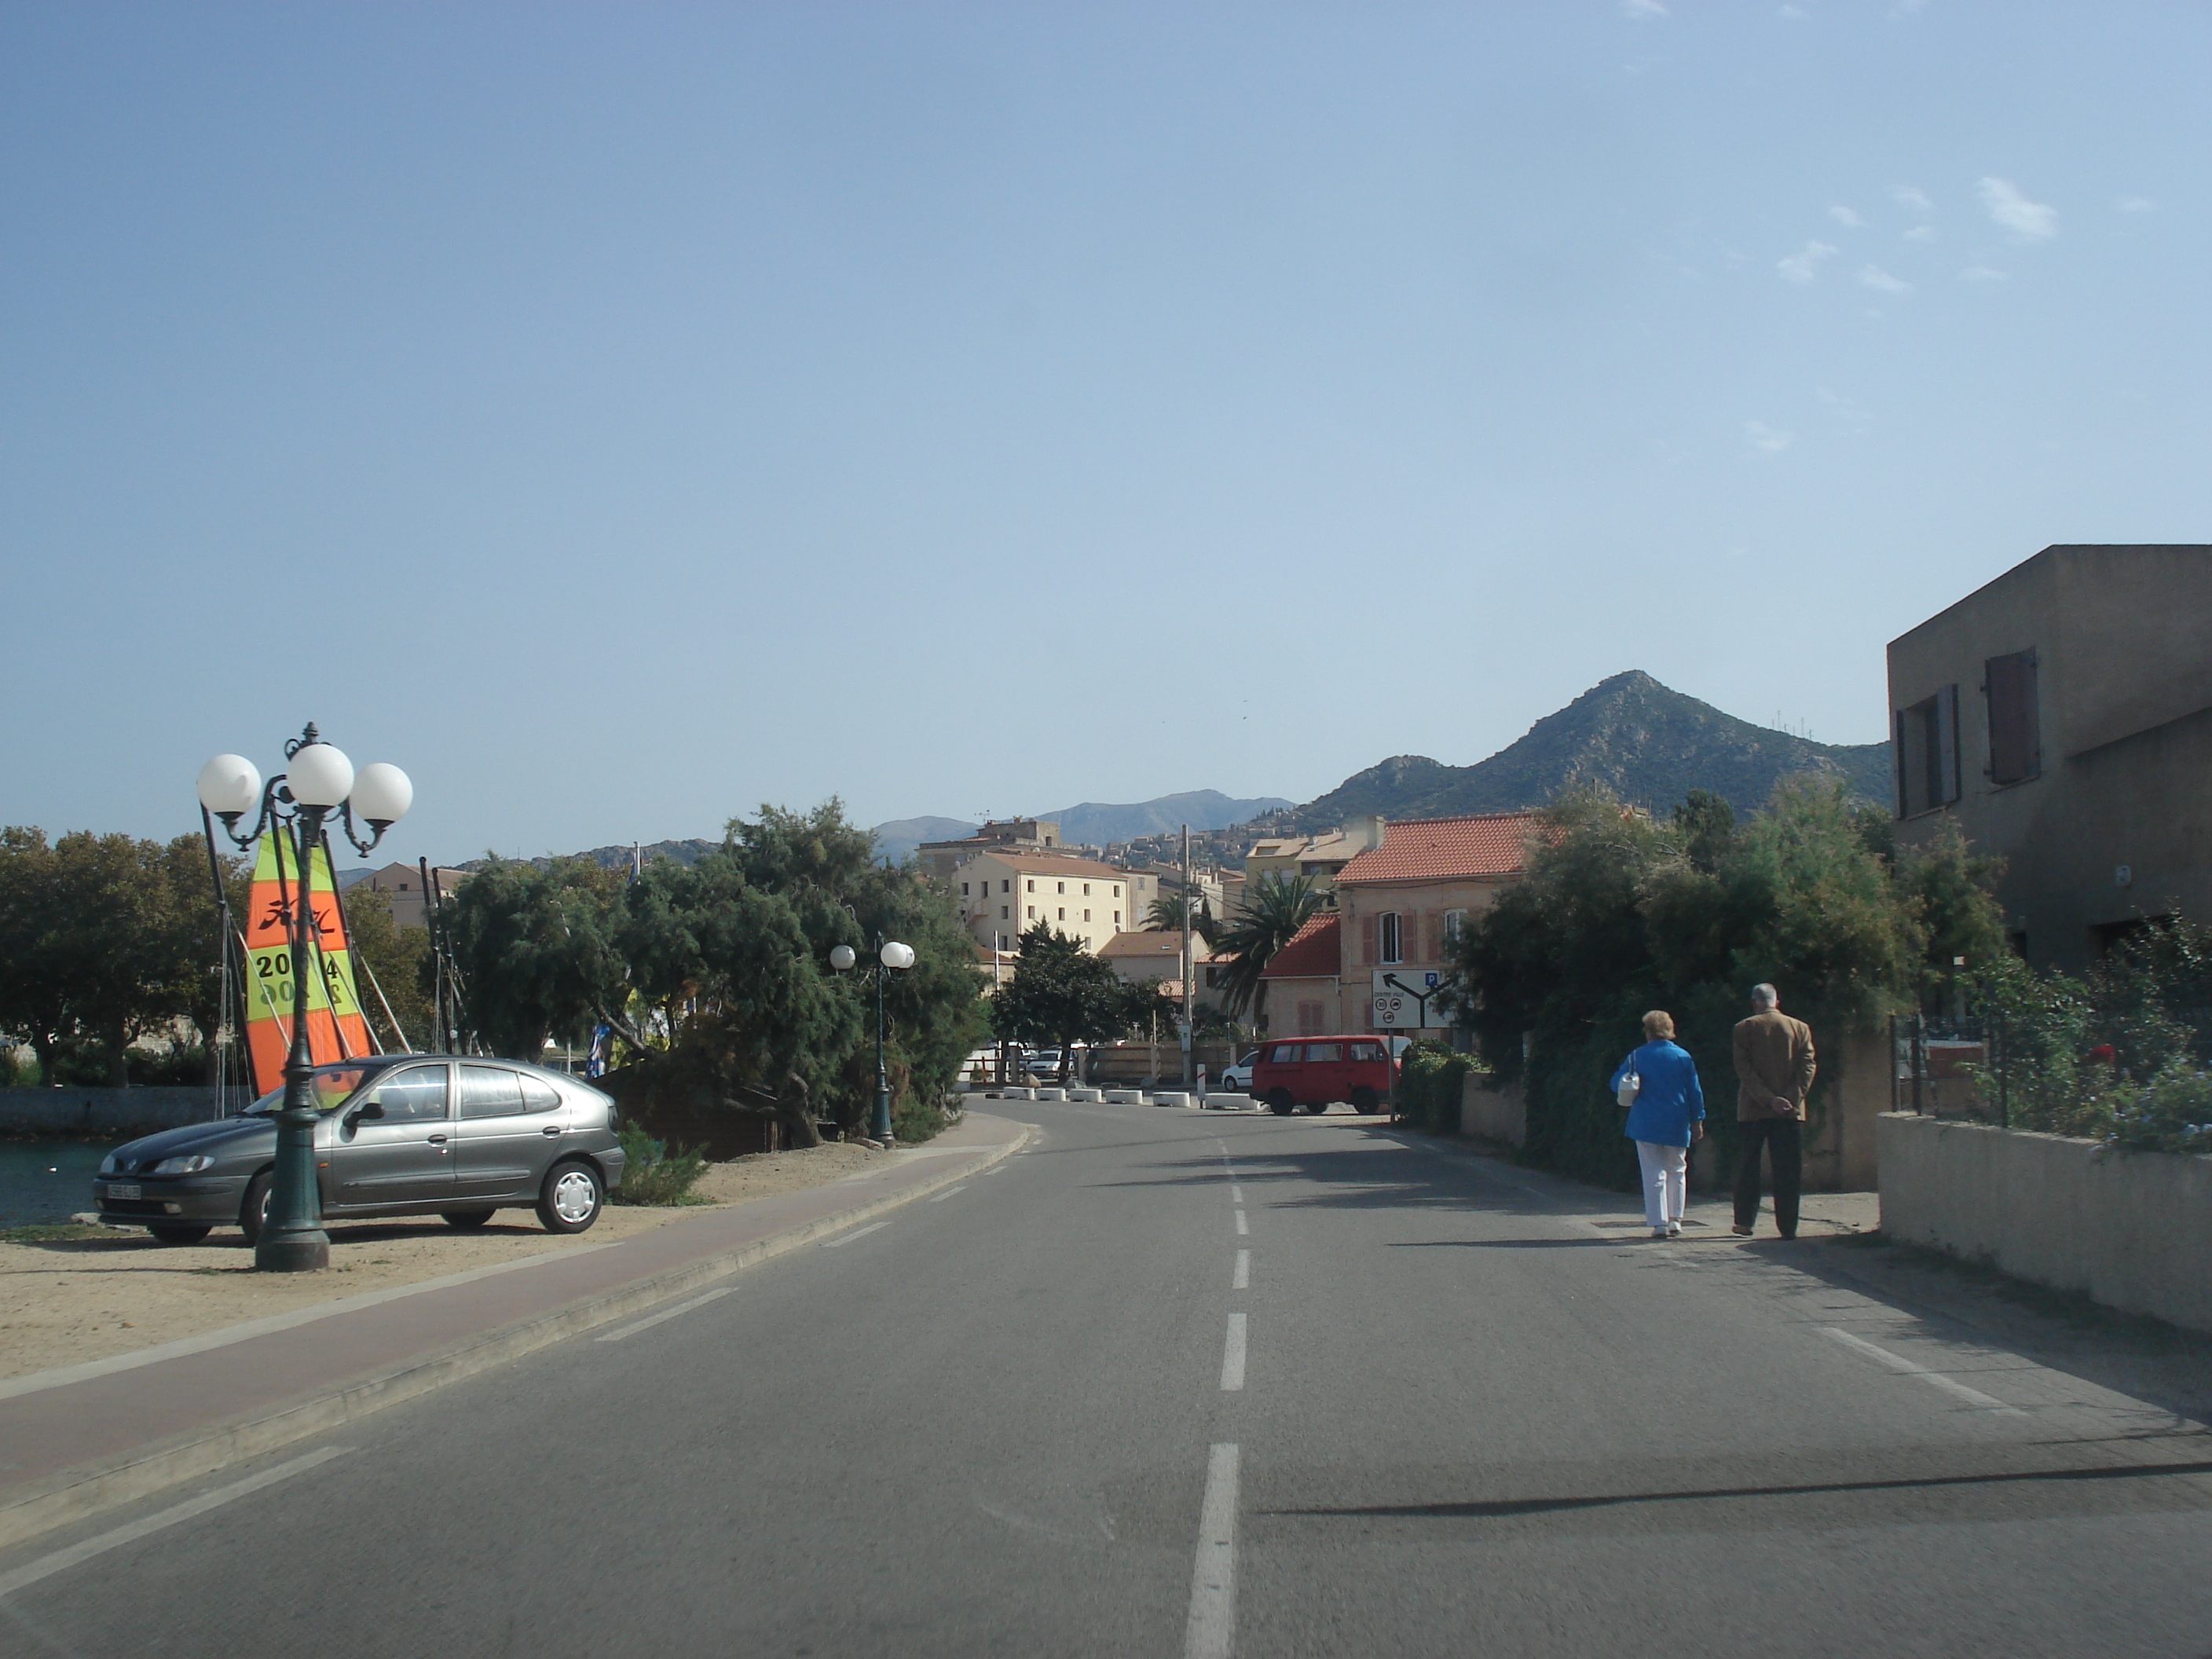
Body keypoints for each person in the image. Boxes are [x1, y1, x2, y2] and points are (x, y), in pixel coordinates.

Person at [1608, 1010, 1705, 1240]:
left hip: (1646, 1122)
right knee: (1678, 1170)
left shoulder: (1637, 1056)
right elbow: (1695, 1092)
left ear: (1648, 1031)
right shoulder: (1683, 1057)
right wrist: (1697, 1120)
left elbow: (1616, 1084)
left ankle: (1658, 1223)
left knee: (1653, 1173)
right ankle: (1676, 1220)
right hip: (1677, 1120)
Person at [1731, 982, 1817, 1239]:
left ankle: (1745, 1221)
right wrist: (1789, 1098)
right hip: (1790, 1111)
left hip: (1753, 1110)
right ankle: (1788, 1226)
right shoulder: (1799, 1028)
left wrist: (1768, 1099)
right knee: (1788, 1169)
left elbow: (1744, 1070)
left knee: (1749, 1167)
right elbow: (1808, 1067)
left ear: (1755, 1002)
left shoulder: (1744, 1029)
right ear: (1776, 1001)